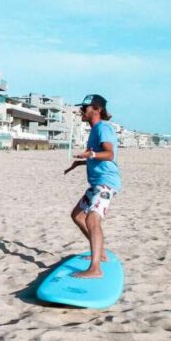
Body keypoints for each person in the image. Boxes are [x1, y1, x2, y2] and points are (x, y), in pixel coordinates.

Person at [64, 94, 122, 279]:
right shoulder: (95, 130)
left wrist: (90, 156)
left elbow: (109, 154)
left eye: (85, 107)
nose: (81, 110)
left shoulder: (103, 128)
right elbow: (96, 156)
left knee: (92, 220)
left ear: (96, 109)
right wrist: (80, 163)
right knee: (77, 215)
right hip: (97, 182)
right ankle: (101, 253)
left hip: (106, 182)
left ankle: (95, 268)